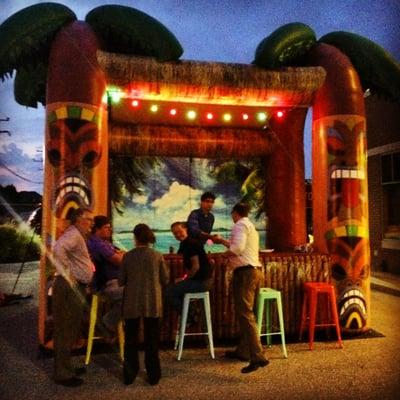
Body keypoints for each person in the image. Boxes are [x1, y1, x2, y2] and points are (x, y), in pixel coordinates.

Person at [216, 202, 269, 374]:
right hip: (254, 271)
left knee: (245, 315)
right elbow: (239, 246)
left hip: (245, 273)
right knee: (248, 314)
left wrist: (223, 255)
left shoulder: (239, 225)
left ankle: (257, 356)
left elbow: (237, 249)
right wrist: (222, 241)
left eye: (231, 213)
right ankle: (243, 351)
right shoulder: (249, 226)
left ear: (235, 213)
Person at [119, 224, 169, 386]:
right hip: (153, 302)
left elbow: (121, 281)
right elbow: (165, 279)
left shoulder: (127, 257)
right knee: (152, 340)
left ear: (135, 238)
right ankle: (153, 376)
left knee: (131, 340)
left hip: (132, 302)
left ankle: (129, 375)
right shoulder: (157, 256)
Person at [52, 207, 95, 387]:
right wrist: (68, 273)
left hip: (73, 287)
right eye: (89, 219)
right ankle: (63, 374)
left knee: (70, 329)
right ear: (78, 219)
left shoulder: (75, 234)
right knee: (65, 330)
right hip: (68, 287)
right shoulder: (74, 235)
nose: (92, 223)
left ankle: (67, 367)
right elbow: (58, 248)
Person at [167, 221, 213, 321]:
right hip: (201, 280)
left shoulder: (191, 244)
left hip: (202, 282)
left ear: (186, 229)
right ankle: (191, 313)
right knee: (174, 289)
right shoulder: (185, 244)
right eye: (175, 233)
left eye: (179, 231)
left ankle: (191, 315)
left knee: (169, 291)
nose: (178, 235)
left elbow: (195, 267)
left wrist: (183, 279)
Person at [87, 215, 124, 333]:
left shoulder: (104, 243)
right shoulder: (98, 244)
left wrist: (121, 254)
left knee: (133, 297)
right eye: (106, 227)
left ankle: (107, 323)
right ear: (97, 229)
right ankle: (106, 324)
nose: (110, 230)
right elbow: (120, 260)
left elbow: (121, 255)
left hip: (114, 282)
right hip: (106, 285)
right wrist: (121, 254)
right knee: (136, 294)